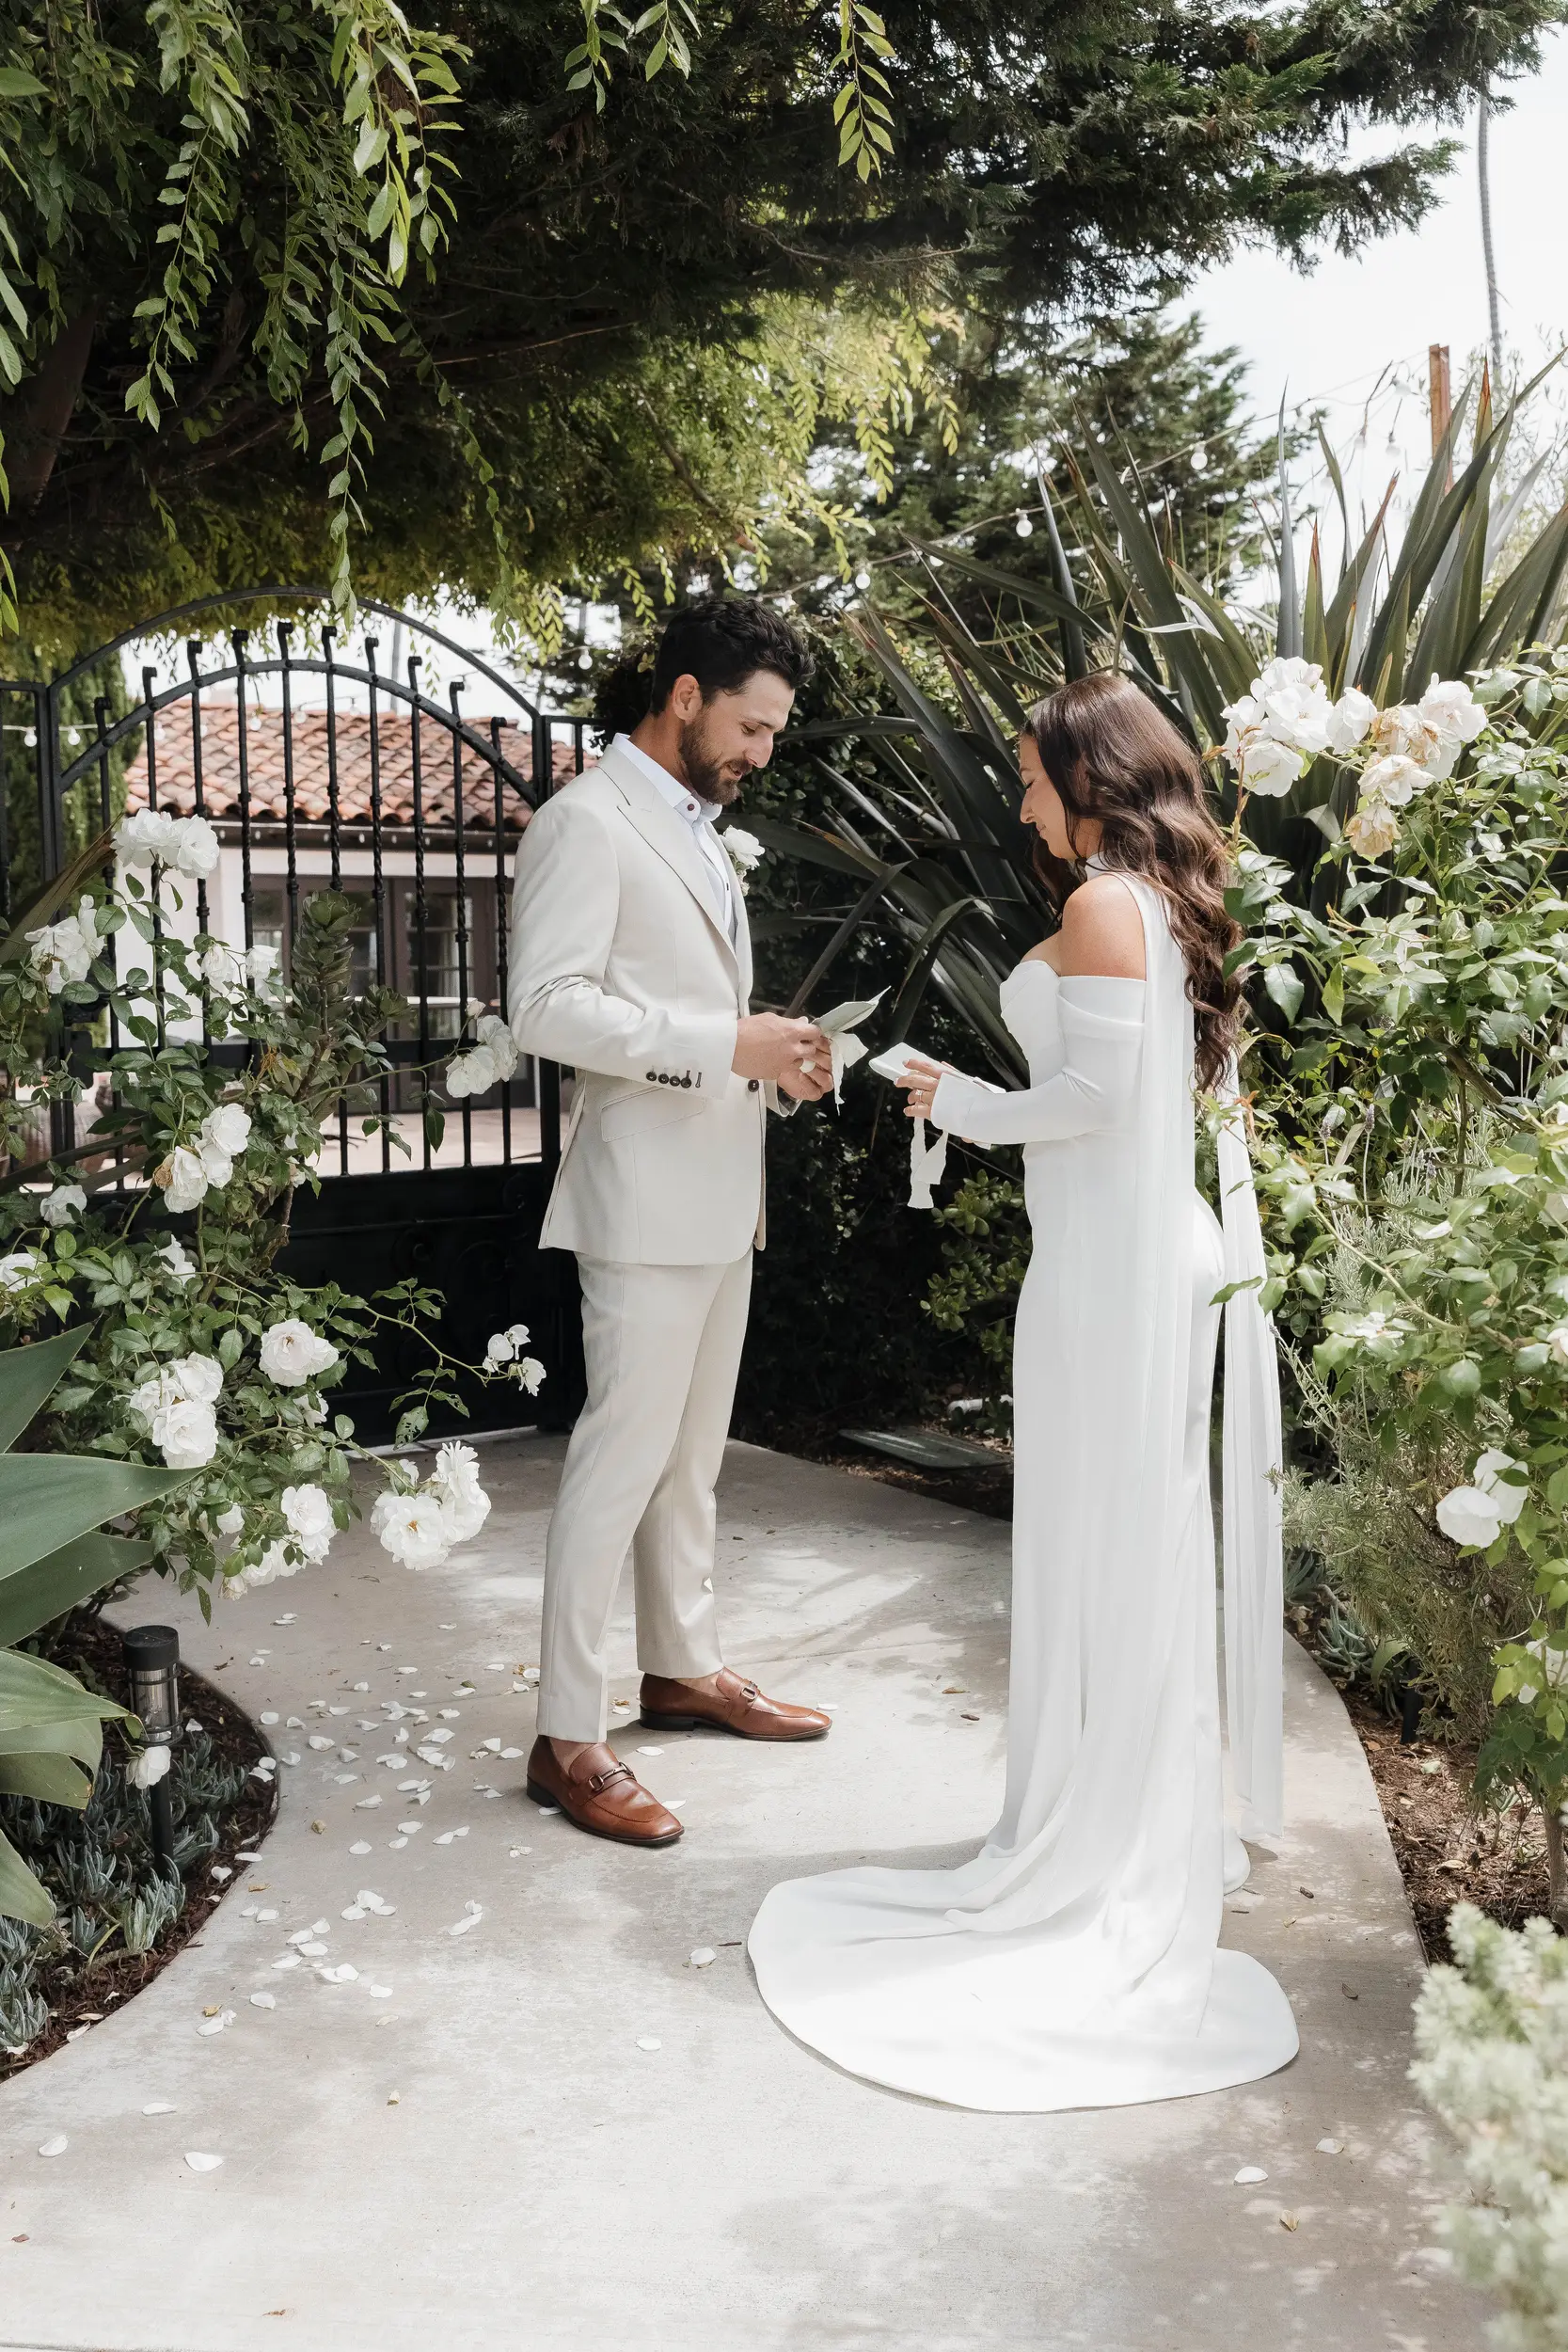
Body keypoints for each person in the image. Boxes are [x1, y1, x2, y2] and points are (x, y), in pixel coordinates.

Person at [749, 669, 1299, 2109]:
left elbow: (1092, 1106)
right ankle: (1107, 1809)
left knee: (1102, 1539)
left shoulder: (1104, 905)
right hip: (1121, 1258)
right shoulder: (1150, 903)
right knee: (1116, 1538)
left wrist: (954, 1097)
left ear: (1088, 776)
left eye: (1028, 776)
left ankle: (1100, 1839)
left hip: (1112, 1279)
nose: (1015, 798)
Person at [508, 596, 835, 1849]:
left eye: (774, 734)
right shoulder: (586, 823)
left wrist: (769, 1061)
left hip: (719, 1190)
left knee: (689, 1461)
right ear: (685, 695)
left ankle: (682, 1671)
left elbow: (697, 1014)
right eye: (750, 726)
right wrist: (719, 1041)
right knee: (617, 1463)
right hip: (641, 1201)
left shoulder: (697, 828)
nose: (760, 752)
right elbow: (545, 1007)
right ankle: (566, 1734)